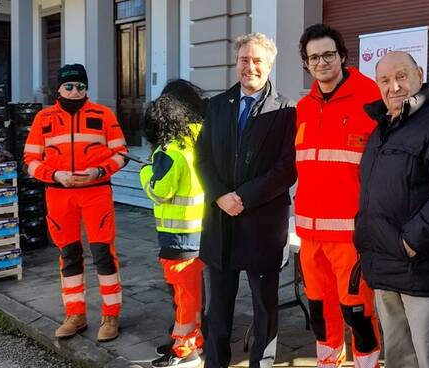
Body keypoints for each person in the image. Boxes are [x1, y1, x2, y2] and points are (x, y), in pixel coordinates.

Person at [354, 51, 429, 368]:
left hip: (422, 268)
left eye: (402, 76)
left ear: (419, 73)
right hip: (385, 263)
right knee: (399, 360)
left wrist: (410, 242)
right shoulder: (382, 128)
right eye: (385, 80)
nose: (394, 87)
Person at [194, 32, 297, 368]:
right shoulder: (216, 105)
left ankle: (261, 363)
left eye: (257, 61)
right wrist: (221, 195)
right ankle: (215, 362)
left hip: (263, 223)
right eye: (244, 59)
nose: (250, 67)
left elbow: (287, 168)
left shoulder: (286, 111)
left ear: (269, 64)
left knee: (264, 306)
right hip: (221, 221)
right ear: (236, 62)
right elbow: (202, 157)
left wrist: (245, 197)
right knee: (217, 307)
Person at [294, 23, 381, 367]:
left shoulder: (371, 98)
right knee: (319, 309)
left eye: (328, 54)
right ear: (306, 64)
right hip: (309, 236)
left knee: (358, 312)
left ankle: (367, 363)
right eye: (313, 57)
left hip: (351, 236)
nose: (321, 62)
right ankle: (328, 361)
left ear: (343, 56)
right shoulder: (302, 108)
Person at [24, 63, 128, 342]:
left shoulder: (104, 115)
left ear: (87, 88)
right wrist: (54, 175)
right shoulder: (43, 118)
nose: (74, 91)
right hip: (59, 196)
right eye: (68, 86)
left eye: (80, 86)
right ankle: (75, 315)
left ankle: (111, 315)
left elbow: (121, 154)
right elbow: (31, 161)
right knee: (69, 255)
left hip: (96, 194)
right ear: (58, 88)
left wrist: (99, 171)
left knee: (103, 254)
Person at [139, 79, 206, 368]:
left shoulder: (170, 150)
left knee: (183, 296)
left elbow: (160, 190)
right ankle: (192, 340)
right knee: (192, 293)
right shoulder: (200, 139)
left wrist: (145, 173)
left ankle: (184, 350)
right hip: (199, 234)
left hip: (176, 238)